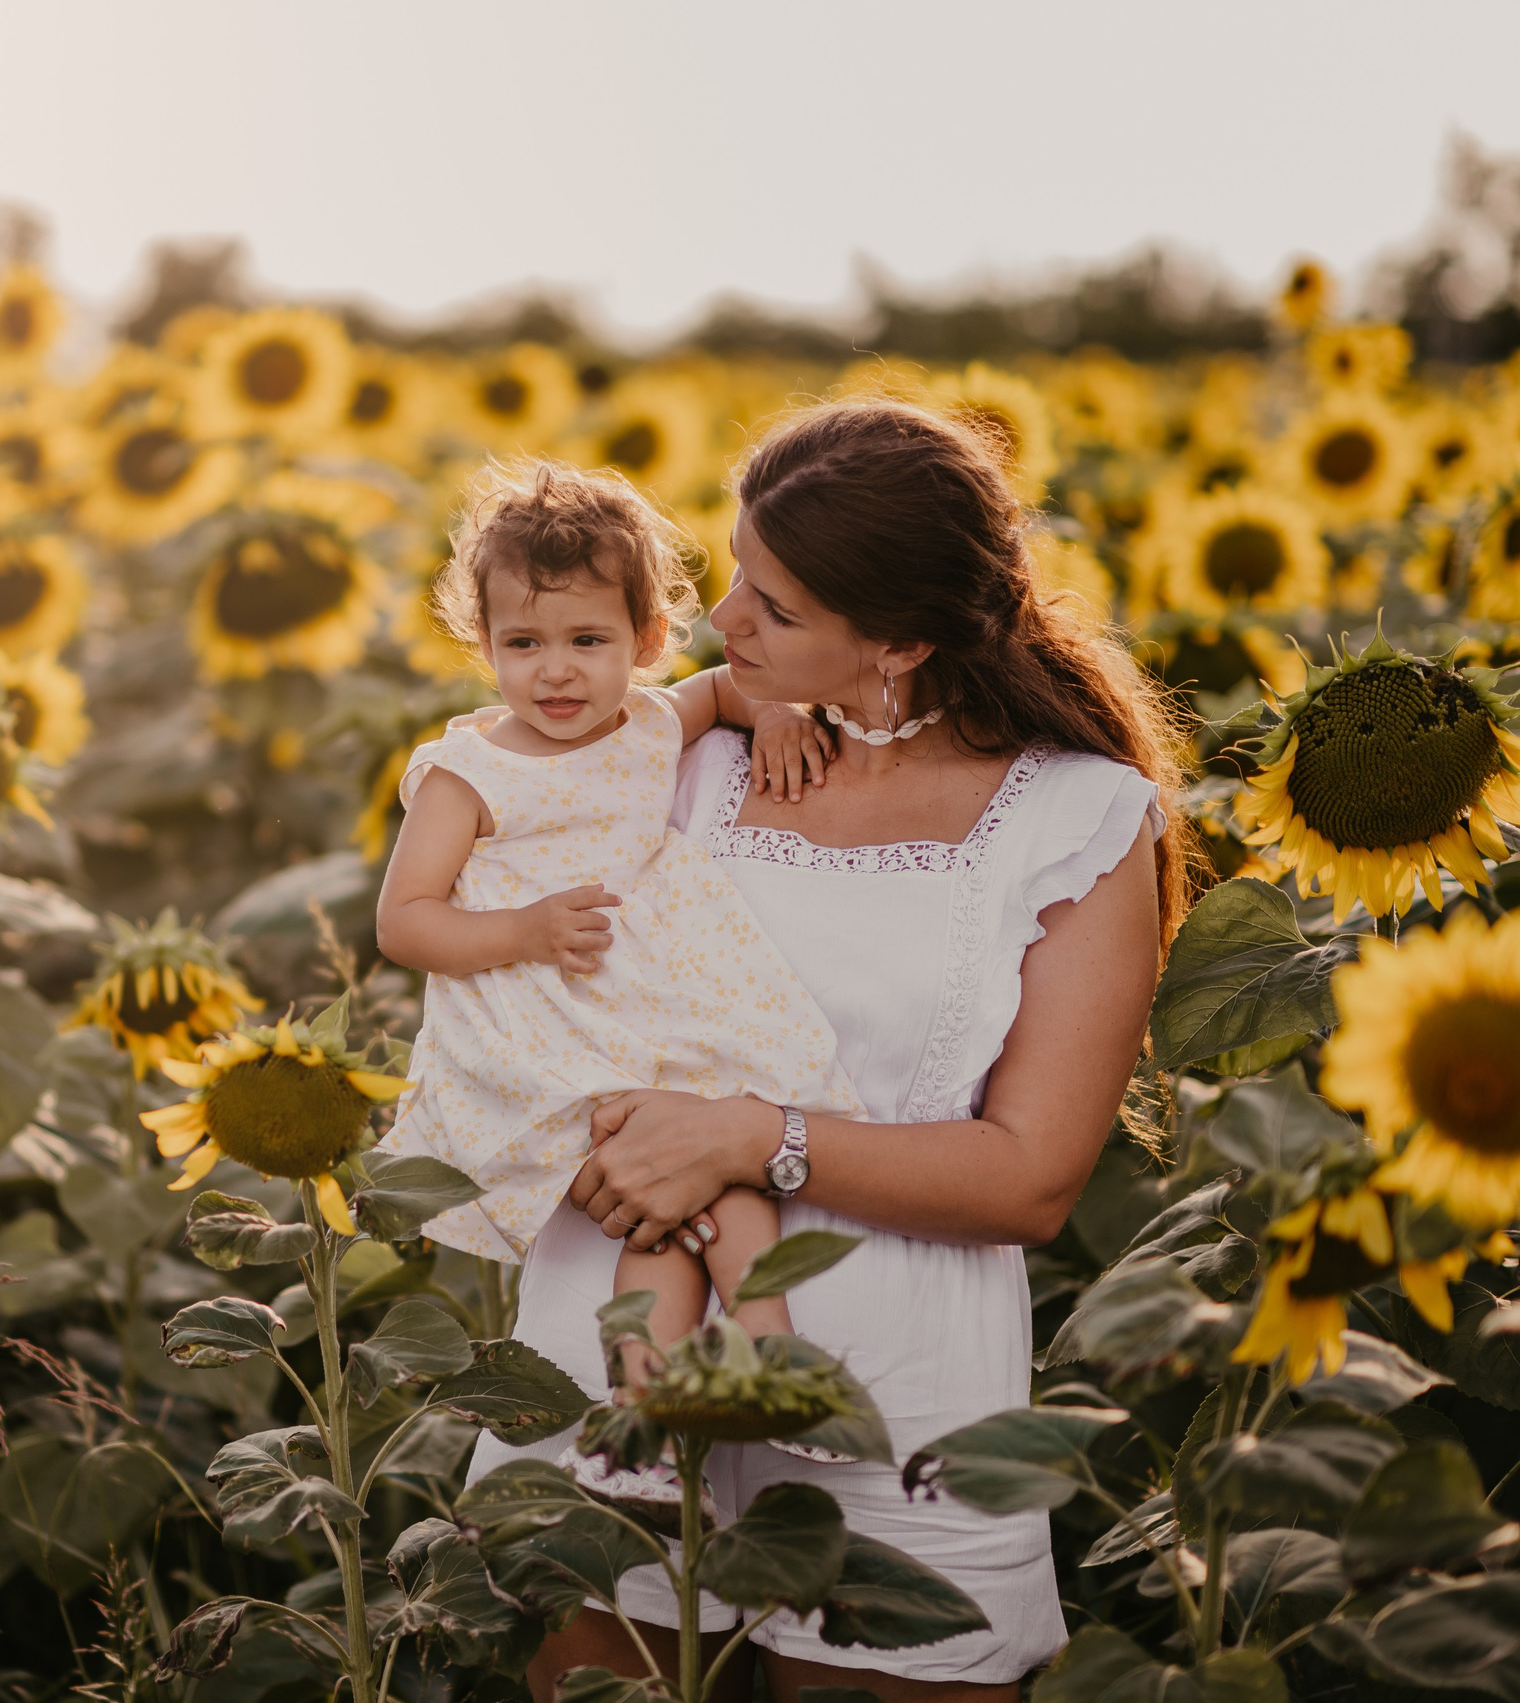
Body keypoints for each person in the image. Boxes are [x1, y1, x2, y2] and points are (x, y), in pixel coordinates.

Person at [470, 399, 1187, 1703]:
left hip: (896, 1407)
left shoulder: (1077, 818)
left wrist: (752, 1137)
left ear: (900, 640)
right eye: (738, 570)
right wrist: (578, 1142)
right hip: (612, 1366)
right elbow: (497, 977)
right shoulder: (674, 758)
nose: (723, 617)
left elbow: (1033, 1176)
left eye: (778, 607)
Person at [374, 460, 862, 1495]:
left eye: (587, 641)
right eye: (524, 643)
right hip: (550, 1017)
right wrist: (524, 927)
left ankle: (765, 1357)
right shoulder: (470, 774)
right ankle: (646, 1402)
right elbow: (405, 920)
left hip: (661, 1005)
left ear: (644, 639)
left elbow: (729, 687)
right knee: (658, 1199)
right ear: (485, 643)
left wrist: (776, 714)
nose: (555, 672)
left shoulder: (649, 721)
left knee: (716, 1172)